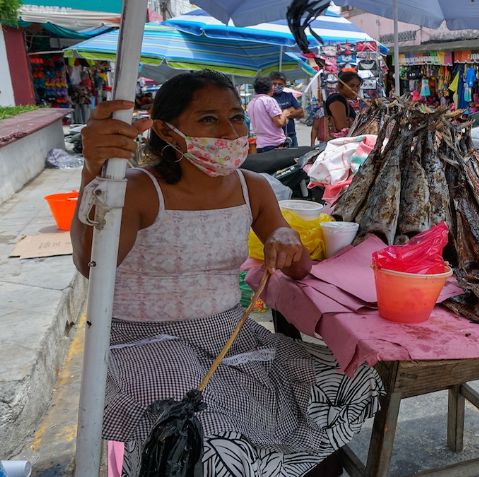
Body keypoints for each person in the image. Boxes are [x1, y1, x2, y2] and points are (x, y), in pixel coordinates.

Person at [72, 70, 382, 476]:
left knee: (353, 386)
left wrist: (287, 236)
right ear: (166, 131)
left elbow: (301, 267)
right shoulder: (137, 190)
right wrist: (93, 175)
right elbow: (92, 263)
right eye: (207, 119)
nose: (228, 131)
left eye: (236, 117)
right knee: (208, 440)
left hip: (225, 332)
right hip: (144, 340)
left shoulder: (252, 186)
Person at [247, 76, 289, 153]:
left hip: (260, 144)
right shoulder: (269, 100)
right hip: (274, 144)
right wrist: (285, 113)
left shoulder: (251, 103)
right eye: (273, 84)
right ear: (270, 87)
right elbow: (279, 123)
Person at [270, 72, 305, 147]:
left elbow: (301, 113)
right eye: (274, 83)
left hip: (291, 135)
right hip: (275, 137)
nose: (277, 86)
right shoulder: (268, 98)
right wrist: (290, 109)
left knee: (294, 157)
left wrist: (283, 114)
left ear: (284, 84)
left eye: (280, 84)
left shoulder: (289, 96)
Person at [323, 71, 361, 136]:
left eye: (357, 86)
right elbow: (342, 127)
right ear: (341, 86)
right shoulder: (337, 99)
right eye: (352, 86)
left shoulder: (343, 100)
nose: (355, 89)